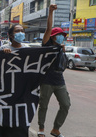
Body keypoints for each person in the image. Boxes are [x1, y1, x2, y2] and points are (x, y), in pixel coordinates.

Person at [37, 4, 71, 137]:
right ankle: (41, 128)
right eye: (58, 35)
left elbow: (63, 65)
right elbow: (48, 29)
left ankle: (56, 129)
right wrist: (50, 12)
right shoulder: (47, 45)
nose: (61, 37)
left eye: (62, 35)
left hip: (59, 80)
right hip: (46, 80)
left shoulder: (61, 48)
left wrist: (63, 51)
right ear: (52, 36)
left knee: (66, 104)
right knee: (43, 105)